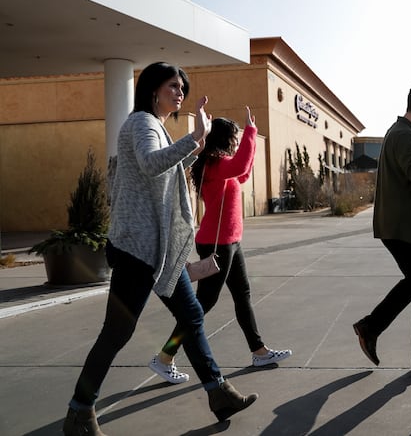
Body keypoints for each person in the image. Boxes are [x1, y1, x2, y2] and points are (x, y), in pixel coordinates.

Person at [62, 63, 257, 436]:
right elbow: (152, 166)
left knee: (193, 315)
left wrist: (196, 146)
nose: (180, 92)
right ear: (153, 89)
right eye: (173, 86)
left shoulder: (155, 126)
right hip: (139, 247)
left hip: (159, 248)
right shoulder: (141, 123)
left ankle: (219, 392)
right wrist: (194, 137)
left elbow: (165, 169)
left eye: (183, 87)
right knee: (117, 332)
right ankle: (79, 412)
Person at [149, 107, 292, 385]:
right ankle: (164, 356)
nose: (238, 143)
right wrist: (251, 131)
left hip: (231, 242)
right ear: (224, 139)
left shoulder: (221, 163)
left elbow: (243, 174)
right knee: (203, 303)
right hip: (218, 243)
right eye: (235, 138)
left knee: (243, 296)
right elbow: (239, 167)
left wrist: (246, 143)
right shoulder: (214, 164)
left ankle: (259, 351)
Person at [353, 84, 411, 371]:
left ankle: (377, 330)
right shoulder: (405, 136)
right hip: (402, 227)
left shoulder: (406, 133)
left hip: (401, 225)